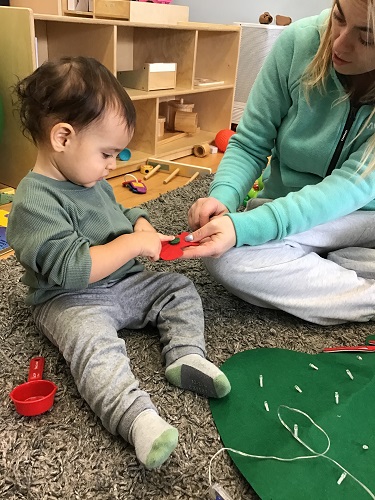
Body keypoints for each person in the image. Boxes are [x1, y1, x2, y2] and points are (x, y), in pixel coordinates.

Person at [7, 56, 230, 469]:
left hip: (124, 285)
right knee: (94, 347)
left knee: (178, 287)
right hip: (70, 299)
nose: (114, 163)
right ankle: (136, 418)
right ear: (62, 138)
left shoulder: (88, 177)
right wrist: (132, 244)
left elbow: (117, 218)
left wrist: (139, 223)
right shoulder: (34, 201)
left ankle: (185, 355)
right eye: (107, 152)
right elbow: (74, 269)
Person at [184, 0, 375, 326]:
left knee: (240, 240)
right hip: (287, 210)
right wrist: (224, 196)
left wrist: (247, 227)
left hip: (361, 218)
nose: (339, 42)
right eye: (338, 18)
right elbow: (249, 143)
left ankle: (337, 275)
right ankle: (336, 265)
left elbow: (350, 186)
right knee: (224, 258)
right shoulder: (297, 43)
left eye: (367, 37)